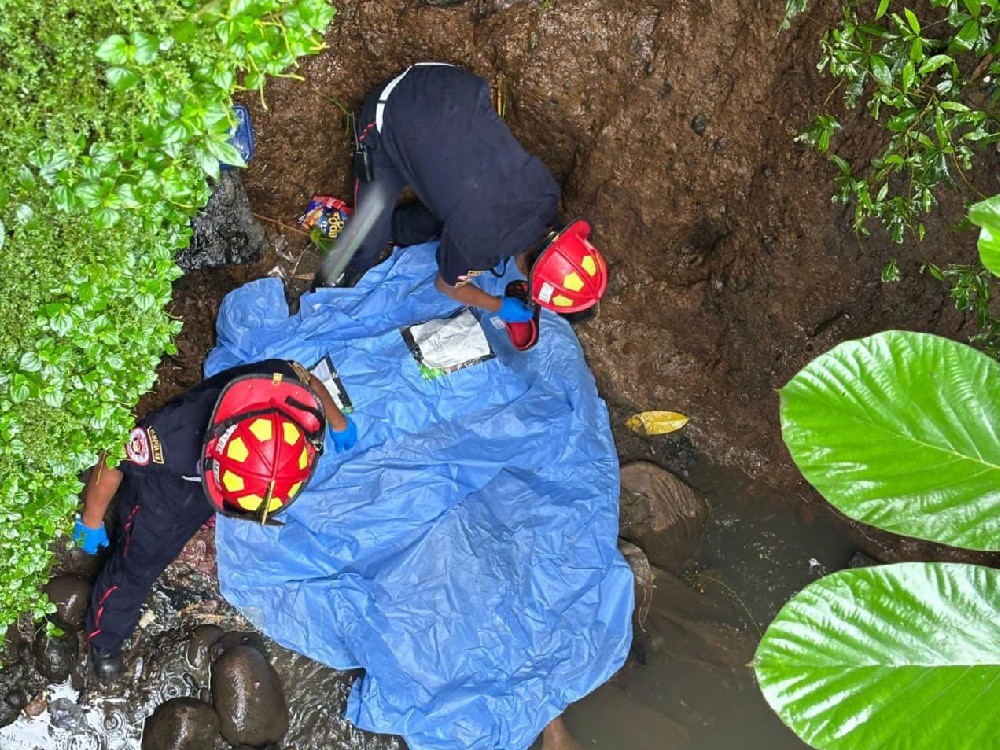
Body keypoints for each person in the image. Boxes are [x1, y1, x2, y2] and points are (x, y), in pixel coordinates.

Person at [73, 358, 358, 683]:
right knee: (135, 571)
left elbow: (305, 377)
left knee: (205, 511)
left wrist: (337, 422)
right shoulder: (169, 438)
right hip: (167, 493)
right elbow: (114, 458)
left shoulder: (290, 404)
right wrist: (91, 519)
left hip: (206, 483)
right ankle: (104, 638)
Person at [331, 63, 609, 322]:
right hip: (391, 108)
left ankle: (397, 230)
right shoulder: (477, 249)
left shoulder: (548, 193)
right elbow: (447, 286)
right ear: (525, 273)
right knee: (367, 244)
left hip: (450, 80)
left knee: (434, 220)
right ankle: (341, 267)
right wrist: (500, 306)